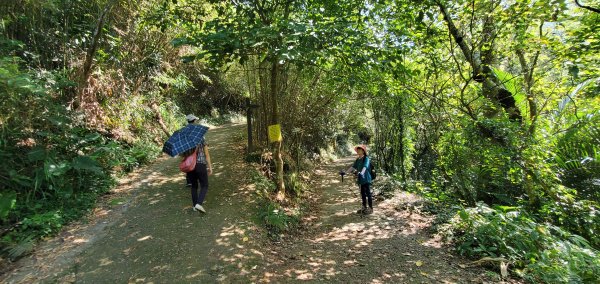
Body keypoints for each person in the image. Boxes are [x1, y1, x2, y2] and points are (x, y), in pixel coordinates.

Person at [182, 114, 213, 213]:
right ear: (194, 121)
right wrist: (210, 167)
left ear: (188, 122)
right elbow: (206, 153)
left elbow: (182, 154)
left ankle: (195, 206)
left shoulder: (184, 137)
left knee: (194, 186)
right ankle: (199, 204)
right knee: (205, 185)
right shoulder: (200, 136)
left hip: (190, 166)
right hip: (200, 163)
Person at [342, 145, 373, 214]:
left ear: (363, 151)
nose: (358, 151)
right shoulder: (358, 159)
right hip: (360, 179)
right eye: (357, 150)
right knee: (362, 194)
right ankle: (364, 207)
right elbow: (353, 167)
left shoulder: (366, 159)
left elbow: (365, 166)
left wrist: (361, 172)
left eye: (359, 149)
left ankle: (370, 208)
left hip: (366, 179)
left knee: (368, 193)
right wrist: (346, 173)